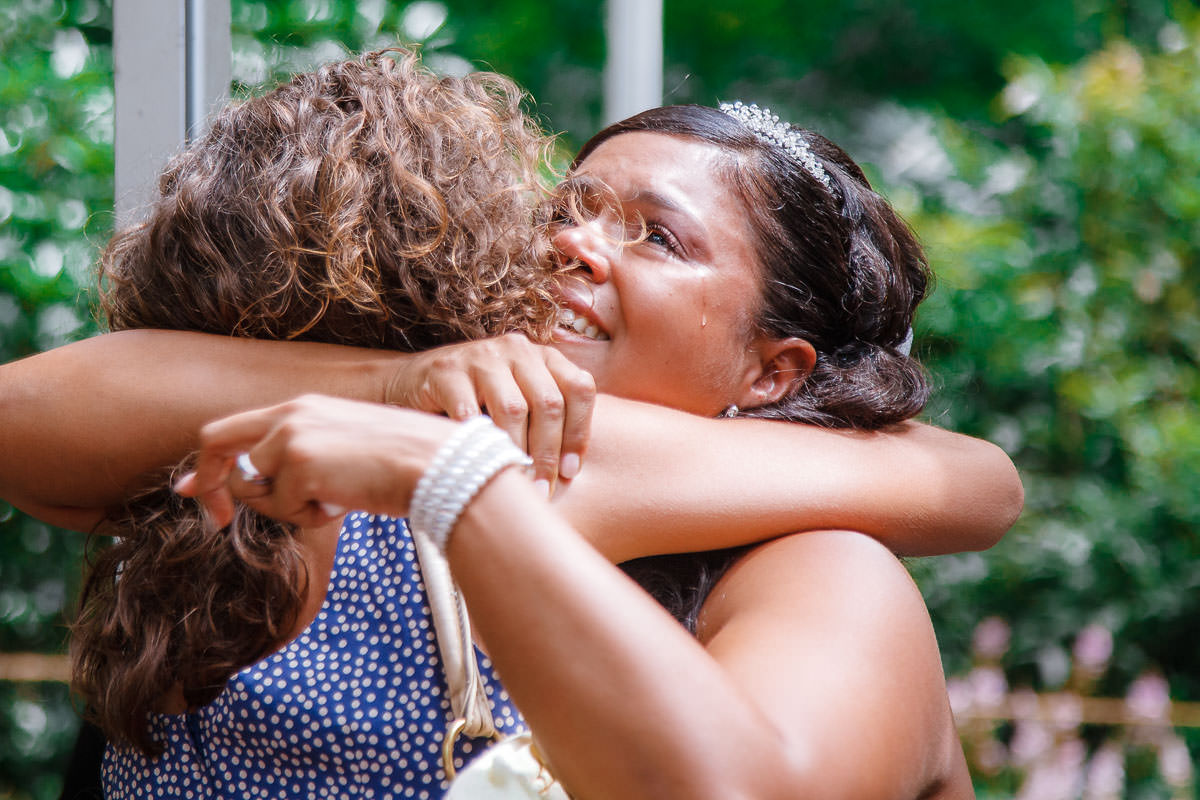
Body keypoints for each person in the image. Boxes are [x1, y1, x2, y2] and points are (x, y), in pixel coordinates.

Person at [0, 52, 1019, 798]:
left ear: (770, 368)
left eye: (658, 236)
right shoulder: (358, 475)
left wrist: (454, 471)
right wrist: (412, 392)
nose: (575, 243)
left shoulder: (824, 572)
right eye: (567, 208)